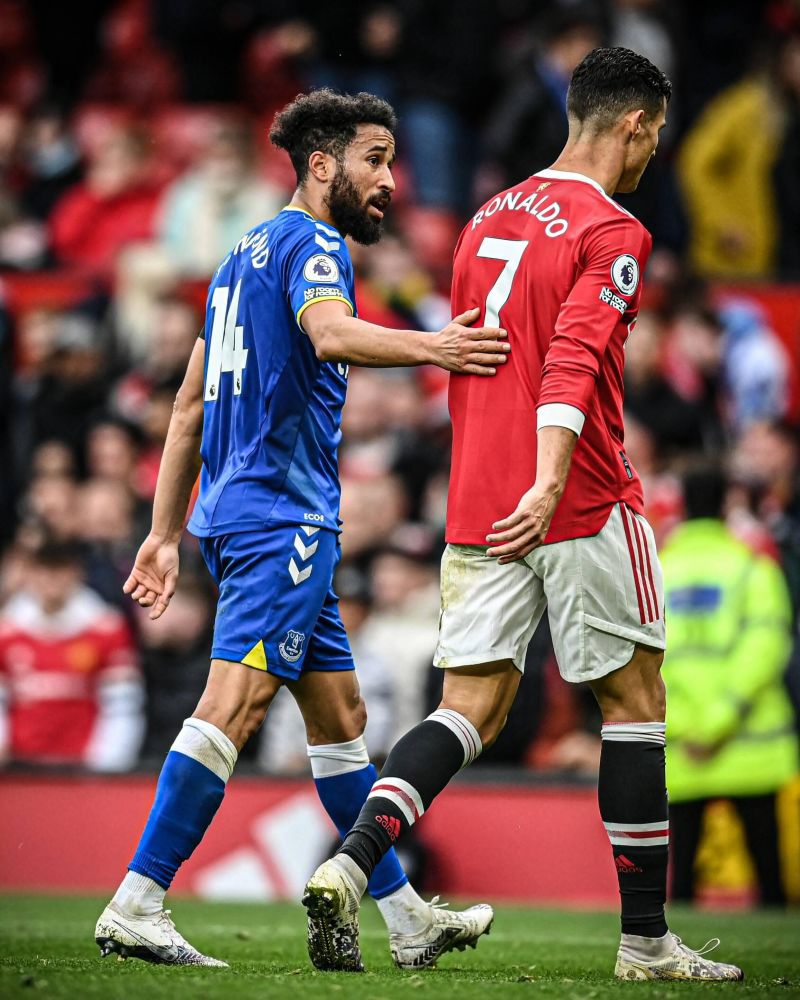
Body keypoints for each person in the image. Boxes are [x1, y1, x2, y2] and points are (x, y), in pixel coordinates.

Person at [304, 48, 744, 982]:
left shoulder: (486, 216)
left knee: (466, 707)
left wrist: (512, 478)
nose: (653, 152)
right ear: (633, 125)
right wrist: (550, 481)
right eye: (655, 134)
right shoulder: (612, 229)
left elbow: (472, 356)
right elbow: (572, 362)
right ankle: (645, 942)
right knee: (634, 705)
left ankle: (351, 860)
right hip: (575, 494)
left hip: (477, 497)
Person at [94, 89, 506, 970]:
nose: (388, 181)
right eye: (374, 160)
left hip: (241, 515)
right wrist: (437, 346)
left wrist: (165, 533)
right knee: (233, 703)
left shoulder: (237, 259)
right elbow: (327, 335)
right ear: (322, 164)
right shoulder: (314, 244)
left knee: (341, 719)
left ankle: (402, 917)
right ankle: (139, 897)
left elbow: (188, 406)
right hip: (285, 519)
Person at [660, 464, 797, 906]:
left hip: (684, 747)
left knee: (679, 891)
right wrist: (724, 717)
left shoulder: (657, 571)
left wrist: (688, 724)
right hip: (750, 743)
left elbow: (644, 659)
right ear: (727, 505)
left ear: (680, 506)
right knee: (770, 883)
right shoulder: (753, 567)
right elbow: (767, 644)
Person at [0, 541, 143, 771]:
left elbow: (123, 704)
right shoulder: (7, 631)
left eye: (59, 570)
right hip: (19, 767)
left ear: (76, 573)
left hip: (82, 767)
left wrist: (107, 765)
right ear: (30, 574)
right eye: (43, 570)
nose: (50, 580)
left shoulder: (105, 628)